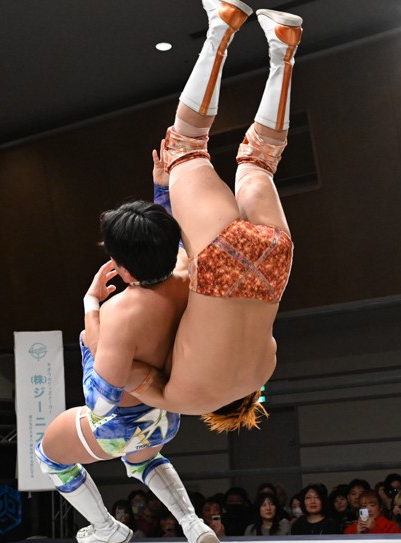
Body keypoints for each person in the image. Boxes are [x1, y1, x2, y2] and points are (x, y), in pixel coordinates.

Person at [122, 0, 303, 434]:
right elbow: (124, 373)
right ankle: (222, 26)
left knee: (259, 162)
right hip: (223, 269)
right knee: (186, 144)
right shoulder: (184, 400)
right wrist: (92, 313)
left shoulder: (263, 370)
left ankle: (284, 50)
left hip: (275, 266)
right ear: (215, 413)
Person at [35, 182, 225, 543]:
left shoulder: (122, 313)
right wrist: (161, 189)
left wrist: (91, 308)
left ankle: (106, 527)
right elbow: (173, 234)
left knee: (49, 456)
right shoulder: (187, 271)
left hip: (118, 424)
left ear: (120, 267)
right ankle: (194, 525)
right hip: (165, 417)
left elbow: (100, 402)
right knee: (143, 461)